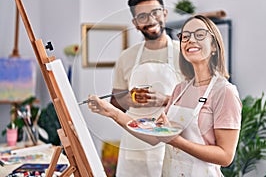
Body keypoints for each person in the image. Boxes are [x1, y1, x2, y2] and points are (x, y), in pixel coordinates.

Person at [88, 15, 242, 176]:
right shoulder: (180, 89)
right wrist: (112, 112)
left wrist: (175, 141)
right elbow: (154, 137)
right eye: (185, 36)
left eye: (200, 35)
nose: (190, 40)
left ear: (214, 46)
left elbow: (225, 156)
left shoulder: (224, 92)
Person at [108, 0, 183, 177]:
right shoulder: (126, 57)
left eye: (155, 13)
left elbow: (199, 102)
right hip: (134, 147)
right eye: (142, 16)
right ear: (135, 23)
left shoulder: (184, 54)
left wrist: (165, 99)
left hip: (172, 146)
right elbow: (115, 103)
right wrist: (129, 100)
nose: (150, 20)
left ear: (164, 14)